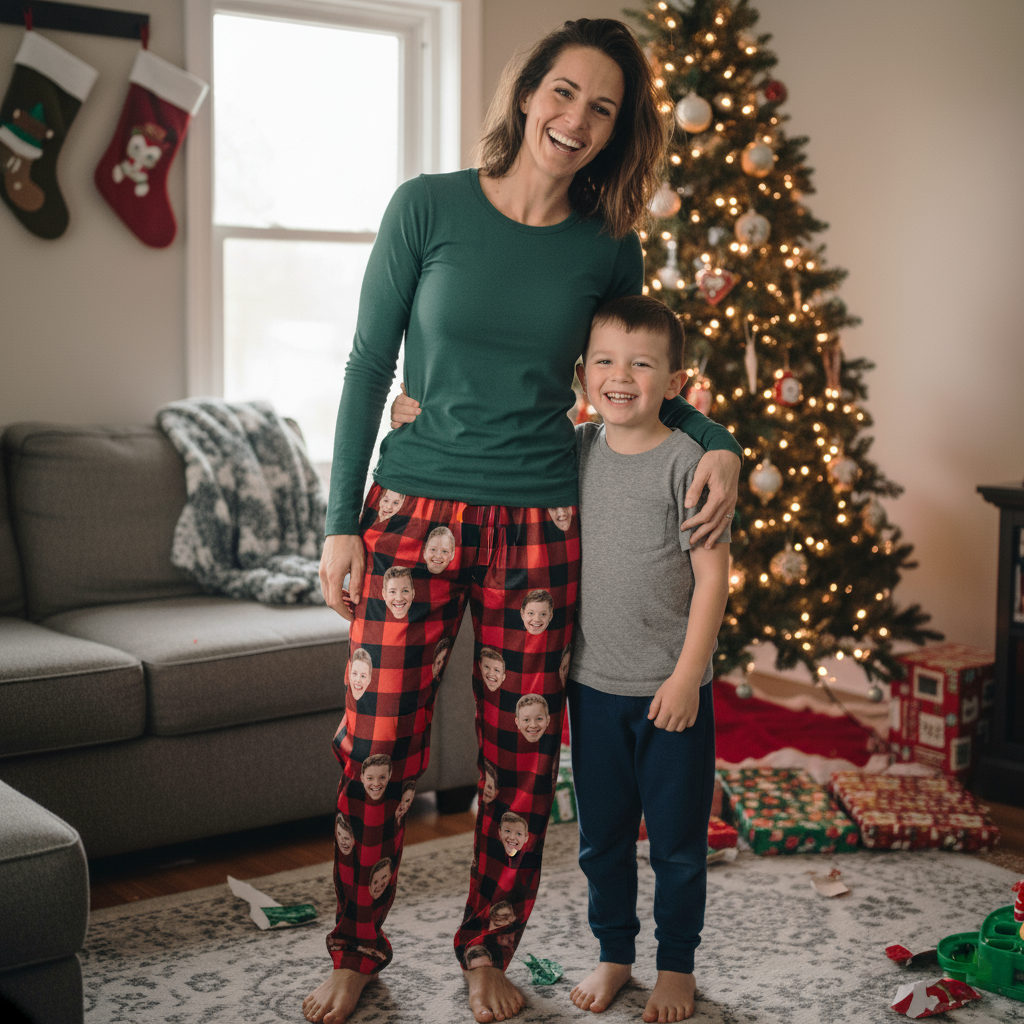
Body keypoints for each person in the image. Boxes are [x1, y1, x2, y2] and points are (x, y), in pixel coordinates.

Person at [306, 17, 741, 1024]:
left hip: (542, 524)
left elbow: (643, 371)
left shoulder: (607, 244)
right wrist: (340, 521)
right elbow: (370, 366)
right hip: (410, 512)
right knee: (374, 747)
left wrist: (718, 439)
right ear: (525, 92)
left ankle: (484, 953)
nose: (576, 119)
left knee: (521, 763)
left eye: (602, 107)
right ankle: (355, 948)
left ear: (618, 128)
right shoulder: (427, 207)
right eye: (563, 92)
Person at [566, 295, 731, 1022]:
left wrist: (689, 674)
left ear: (675, 380)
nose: (620, 376)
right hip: (590, 689)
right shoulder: (573, 450)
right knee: (600, 840)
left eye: (640, 363)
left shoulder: (690, 461)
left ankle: (676, 966)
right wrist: (412, 416)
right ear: (582, 373)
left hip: (672, 692)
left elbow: (712, 578)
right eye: (604, 360)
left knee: (677, 846)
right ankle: (614, 954)